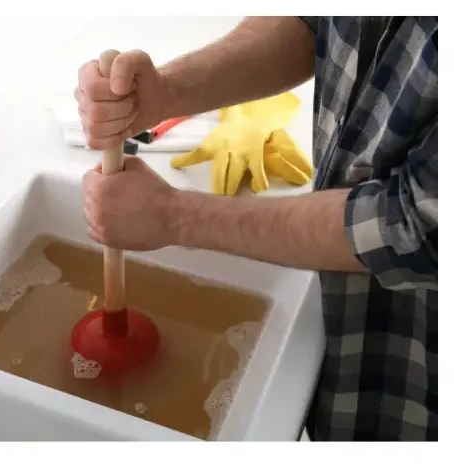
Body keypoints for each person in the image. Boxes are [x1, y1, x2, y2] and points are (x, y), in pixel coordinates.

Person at [74, 16, 437, 441]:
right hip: (343, 336)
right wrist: (168, 90)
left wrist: (173, 216)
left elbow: (419, 225)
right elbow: (313, 22)